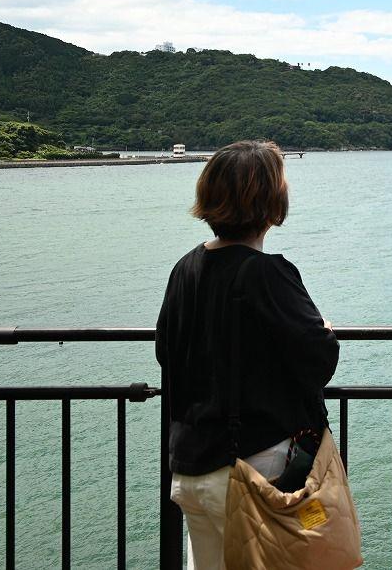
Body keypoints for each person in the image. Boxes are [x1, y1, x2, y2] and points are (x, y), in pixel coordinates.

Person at [156, 140, 339, 570]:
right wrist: (324, 329)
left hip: (192, 468)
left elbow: (167, 351)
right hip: (253, 472)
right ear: (270, 202)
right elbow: (319, 360)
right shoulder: (267, 273)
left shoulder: (185, 268)